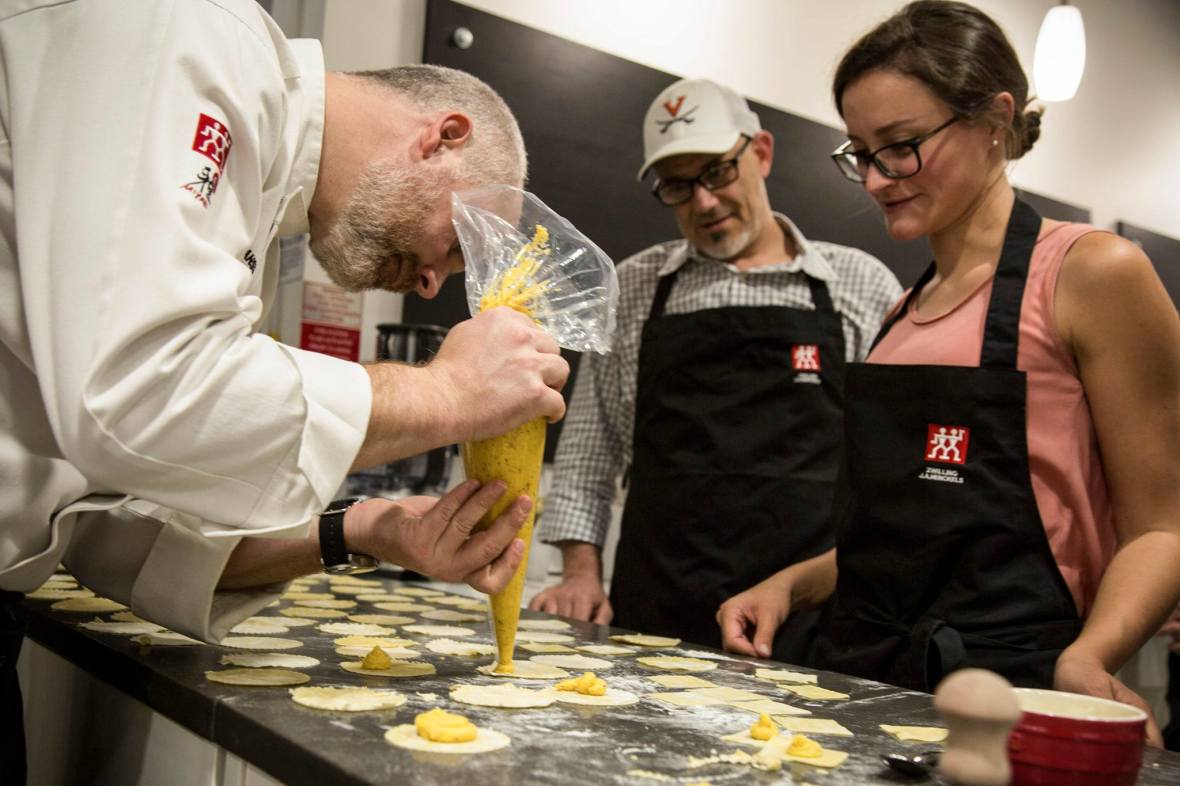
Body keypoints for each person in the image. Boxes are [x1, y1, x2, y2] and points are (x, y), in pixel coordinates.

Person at [0, 1, 570, 780]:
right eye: (459, 246)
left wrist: (364, 530)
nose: (435, 282)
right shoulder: (189, 33)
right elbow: (131, 395)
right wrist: (444, 394)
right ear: (444, 137)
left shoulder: (256, 216)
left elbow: (109, 514)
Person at [718, 0, 1180, 745]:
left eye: (900, 146)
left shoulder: (1094, 273)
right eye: (860, 153)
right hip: (866, 684)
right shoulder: (902, 313)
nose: (874, 179)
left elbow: (1164, 526)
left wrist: (1093, 657)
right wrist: (793, 585)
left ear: (996, 119)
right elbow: (913, 542)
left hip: (1021, 690)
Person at [530, 78, 901, 656]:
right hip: (653, 619)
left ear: (762, 152)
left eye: (718, 172)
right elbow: (589, 448)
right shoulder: (633, 287)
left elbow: (889, 472)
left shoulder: (861, 283)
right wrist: (579, 574)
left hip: (811, 624)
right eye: (678, 186)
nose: (703, 202)